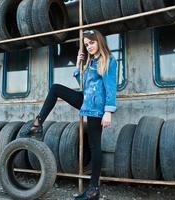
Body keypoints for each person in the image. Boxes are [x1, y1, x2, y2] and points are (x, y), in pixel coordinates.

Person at [25, 29, 118, 200]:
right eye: (86, 44)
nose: (89, 47)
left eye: (91, 43)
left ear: (99, 41)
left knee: (94, 146)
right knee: (55, 89)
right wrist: (77, 65)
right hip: (85, 99)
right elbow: (84, 85)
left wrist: (108, 112)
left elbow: (111, 88)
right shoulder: (90, 62)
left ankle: (93, 190)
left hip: (96, 108)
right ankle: (37, 123)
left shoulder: (108, 61)